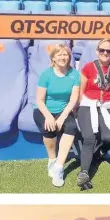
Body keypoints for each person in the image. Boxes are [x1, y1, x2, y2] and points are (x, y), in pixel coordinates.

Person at [76, 39, 110, 190]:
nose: (105, 53)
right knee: (89, 138)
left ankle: (96, 156)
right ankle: (84, 173)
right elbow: (81, 90)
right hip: (88, 104)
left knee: (109, 137)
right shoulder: (88, 67)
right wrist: (78, 109)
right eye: (102, 50)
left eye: (109, 51)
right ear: (97, 51)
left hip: (109, 105)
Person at [33, 44, 79, 187]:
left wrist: (63, 116)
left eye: (65, 54)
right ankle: (52, 159)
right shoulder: (46, 74)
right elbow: (39, 100)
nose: (62, 57)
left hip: (63, 110)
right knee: (49, 128)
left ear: (69, 57)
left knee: (71, 127)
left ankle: (59, 167)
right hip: (44, 110)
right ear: (53, 58)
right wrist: (48, 116)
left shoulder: (74, 74)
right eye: (59, 55)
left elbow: (73, 99)